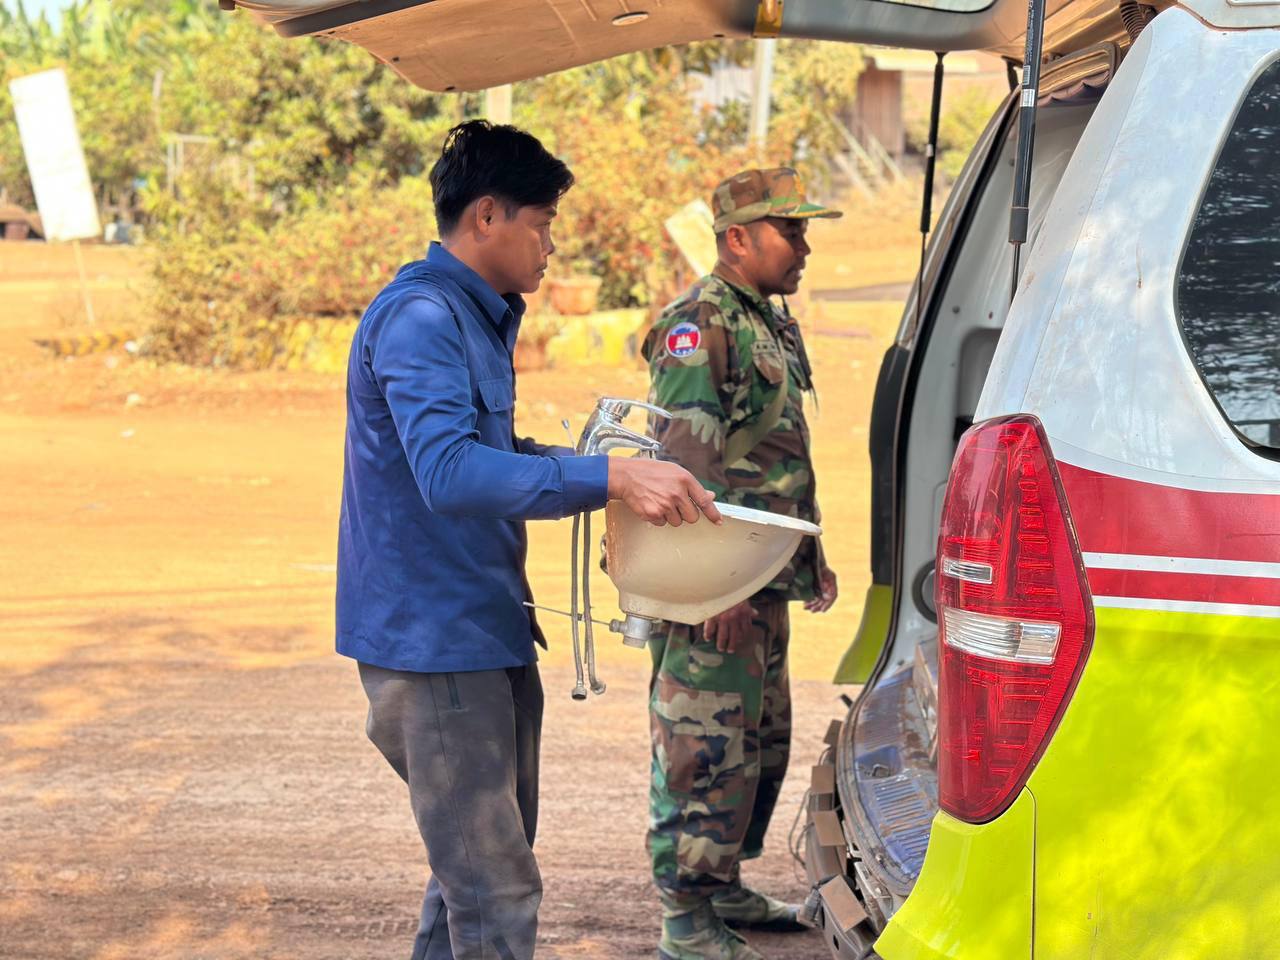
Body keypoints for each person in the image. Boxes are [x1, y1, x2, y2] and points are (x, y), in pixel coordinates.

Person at [337, 120, 721, 960]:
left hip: (483, 629)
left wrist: (610, 471)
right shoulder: (422, 319)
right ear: (486, 216)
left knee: (474, 882)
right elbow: (449, 474)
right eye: (541, 226)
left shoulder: (475, 318)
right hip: (436, 645)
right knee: (494, 891)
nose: (551, 247)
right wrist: (607, 479)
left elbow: (494, 453)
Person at [641, 167, 841, 960]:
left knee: (758, 741)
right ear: (737, 239)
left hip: (758, 579)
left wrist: (809, 557)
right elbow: (684, 463)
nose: (804, 247)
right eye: (789, 231)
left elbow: (780, 452)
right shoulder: (698, 324)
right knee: (705, 748)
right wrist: (709, 585)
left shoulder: (767, 320)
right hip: (716, 585)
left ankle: (722, 885)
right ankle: (686, 920)